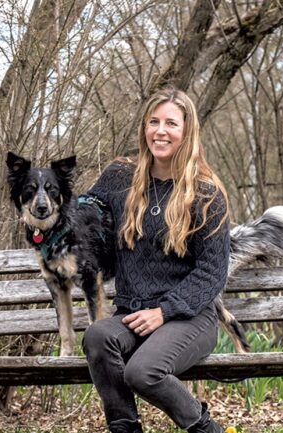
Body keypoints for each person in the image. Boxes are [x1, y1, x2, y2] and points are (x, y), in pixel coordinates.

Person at [83, 86, 230, 433]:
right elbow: (86, 217)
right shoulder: (119, 178)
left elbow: (212, 273)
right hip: (132, 314)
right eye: (153, 122)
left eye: (171, 123)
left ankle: (207, 430)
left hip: (189, 318)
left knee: (142, 371)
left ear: (187, 131)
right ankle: (125, 428)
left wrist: (163, 312)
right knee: (97, 336)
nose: (160, 131)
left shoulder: (206, 195)